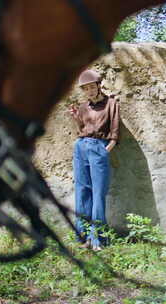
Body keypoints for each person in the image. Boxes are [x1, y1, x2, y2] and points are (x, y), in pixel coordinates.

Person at [68, 69, 120, 251]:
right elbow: (82, 129)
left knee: (98, 193)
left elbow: (114, 133)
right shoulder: (83, 107)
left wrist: (106, 150)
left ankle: (98, 238)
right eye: (86, 89)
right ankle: (83, 238)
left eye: (92, 87)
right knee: (82, 191)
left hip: (99, 147)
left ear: (99, 86)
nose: (89, 91)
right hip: (80, 147)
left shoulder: (111, 104)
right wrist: (76, 119)